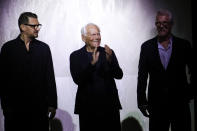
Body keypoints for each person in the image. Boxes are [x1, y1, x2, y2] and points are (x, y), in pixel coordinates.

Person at [137, 9, 193, 131]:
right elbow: (142, 75)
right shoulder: (146, 47)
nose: (161, 25)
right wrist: (141, 101)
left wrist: (190, 92)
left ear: (171, 24)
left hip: (180, 103)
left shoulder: (184, 45)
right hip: (156, 104)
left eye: (165, 22)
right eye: (158, 23)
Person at [0, 12, 57, 131]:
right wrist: (5, 107)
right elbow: (3, 80)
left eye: (38, 25)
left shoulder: (43, 48)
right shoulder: (8, 48)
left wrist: (52, 104)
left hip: (39, 109)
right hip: (15, 110)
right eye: (33, 26)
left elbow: (49, 76)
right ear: (22, 27)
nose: (37, 28)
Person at [70, 23, 123, 131]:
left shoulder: (107, 52)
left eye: (98, 34)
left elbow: (119, 75)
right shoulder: (75, 56)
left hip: (109, 107)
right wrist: (92, 65)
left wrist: (110, 61)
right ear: (83, 37)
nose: (97, 37)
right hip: (87, 108)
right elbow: (77, 79)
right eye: (93, 34)